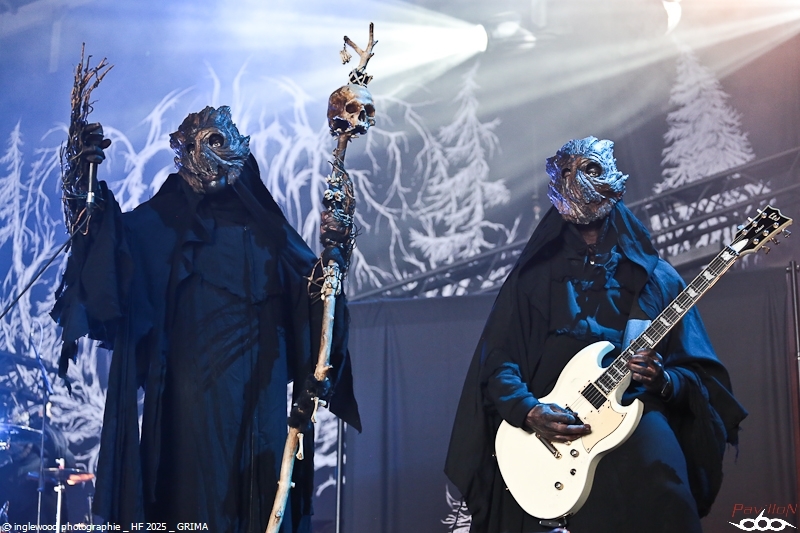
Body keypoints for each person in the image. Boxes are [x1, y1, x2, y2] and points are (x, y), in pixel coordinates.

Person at [51, 105, 360, 533]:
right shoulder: (163, 223)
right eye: (200, 146)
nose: (209, 159)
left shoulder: (267, 229)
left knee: (258, 494)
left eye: (217, 143)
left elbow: (316, 300)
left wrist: (337, 252)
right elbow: (109, 259)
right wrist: (84, 184)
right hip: (190, 395)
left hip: (259, 392)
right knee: (191, 495)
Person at [444, 136, 747, 533]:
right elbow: (499, 360)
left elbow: (699, 374)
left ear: (613, 180)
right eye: (567, 172)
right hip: (550, 435)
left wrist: (665, 380)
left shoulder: (657, 279)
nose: (578, 180)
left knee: (668, 498)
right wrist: (528, 410)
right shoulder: (531, 279)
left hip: (635, 419)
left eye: (589, 169)